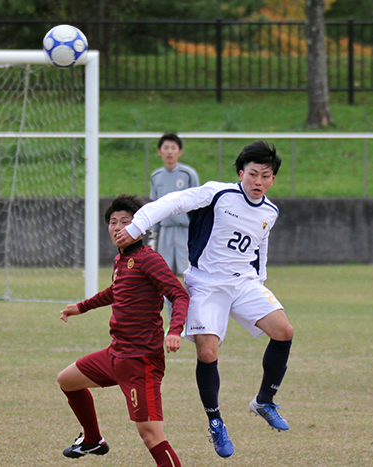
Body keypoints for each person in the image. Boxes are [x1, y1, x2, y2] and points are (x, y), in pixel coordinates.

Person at [115, 141, 294, 459]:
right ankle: (215, 422)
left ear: (272, 180)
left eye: (265, 176)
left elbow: (259, 247)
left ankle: (264, 401)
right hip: (207, 284)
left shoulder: (270, 211)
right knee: (208, 350)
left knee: (284, 331)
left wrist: (261, 280)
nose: (257, 181)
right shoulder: (217, 194)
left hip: (244, 283)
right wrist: (137, 225)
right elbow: (171, 202)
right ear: (241, 173)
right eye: (252, 174)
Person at [56, 194, 189, 467]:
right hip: (115, 354)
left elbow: (179, 294)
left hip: (141, 361)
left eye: (125, 221)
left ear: (141, 225)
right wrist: (81, 307)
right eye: (113, 222)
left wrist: (175, 329)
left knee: (150, 435)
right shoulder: (121, 261)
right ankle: (93, 440)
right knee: (67, 380)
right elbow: (116, 291)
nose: (118, 227)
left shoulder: (148, 259)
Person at [149, 133, 199, 322]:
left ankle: (193, 321)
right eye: (166, 148)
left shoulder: (188, 174)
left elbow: (198, 205)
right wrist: (153, 236)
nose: (169, 152)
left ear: (180, 152)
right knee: (166, 281)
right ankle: (174, 323)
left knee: (190, 279)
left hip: (184, 233)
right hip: (165, 233)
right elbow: (153, 206)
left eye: (173, 148)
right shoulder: (156, 176)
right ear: (159, 152)